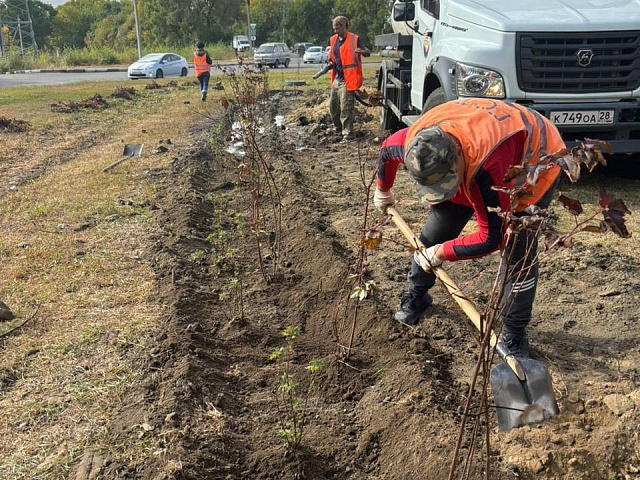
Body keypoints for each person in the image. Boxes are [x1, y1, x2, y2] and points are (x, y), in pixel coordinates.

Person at [373, 98, 566, 358]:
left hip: (532, 160)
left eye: (448, 182)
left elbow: (492, 238)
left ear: (458, 157)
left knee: (517, 252)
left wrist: (441, 253)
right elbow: (386, 151)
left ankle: (514, 333)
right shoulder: (416, 144)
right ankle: (416, 296)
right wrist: (383, 190)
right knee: (432, 236)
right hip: (473, 151)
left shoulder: (489, 165)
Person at [328, 16, 370, 144]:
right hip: (337, 78)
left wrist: (362, 51)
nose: (336, 31)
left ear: (344, 26)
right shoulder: (334, 40)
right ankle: (338, 129)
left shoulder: (354, 39)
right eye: (334, 29)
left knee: (346, 108)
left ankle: (348, 135)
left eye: (338, 29)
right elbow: (334, 57)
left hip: (349, 79)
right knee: (333, 107)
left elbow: (367, 52)